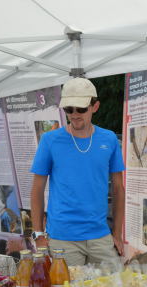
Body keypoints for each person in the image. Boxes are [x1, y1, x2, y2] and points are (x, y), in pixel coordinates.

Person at [30, 77, 125, 266]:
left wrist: (117, 234)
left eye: (81, 109)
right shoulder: (50, 140)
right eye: (69, 109)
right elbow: (37, 189)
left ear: (95, 107)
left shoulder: (109, 139)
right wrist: (38, 234)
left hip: (100, 236)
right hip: (62, 238)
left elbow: (118, 189)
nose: (74, 114)